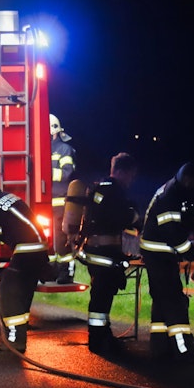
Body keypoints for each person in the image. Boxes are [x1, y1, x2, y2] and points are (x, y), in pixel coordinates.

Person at [139, 162, 194, 362]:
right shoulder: (169, 196)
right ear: (186, 179)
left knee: (162, 299)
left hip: (161, 252)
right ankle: (183, 350)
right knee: (174, 301)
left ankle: (161, 347)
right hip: (158, 252)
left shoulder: (179, 190)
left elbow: (189, 220)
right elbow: (172, 233)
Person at [0, 178, 51, 354]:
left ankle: (15, 341)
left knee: (9, 294)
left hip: (27, 251)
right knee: (21, 295)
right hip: (39, 249)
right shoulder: (5, 197)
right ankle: (15, 337)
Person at [76, 152, 139, 356]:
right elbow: (124, 218)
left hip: (94, 251)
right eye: (130, 175)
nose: (132, 180)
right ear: (120, 172)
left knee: (100, 295)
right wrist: (134, 214)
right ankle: (98, 341)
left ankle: (102, 335)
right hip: (105, 253)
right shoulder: (116, 192)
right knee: (102, 297)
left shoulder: (99, 188)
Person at [49, 114, 78, 283]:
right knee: (49, 240)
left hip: (61, 202)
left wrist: (44, 172)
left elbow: (67, 172)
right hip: (46, 203)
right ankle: (52, 270)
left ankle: (66, 271)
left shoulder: (65, 149)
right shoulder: (43, 148)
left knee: (61, 239)